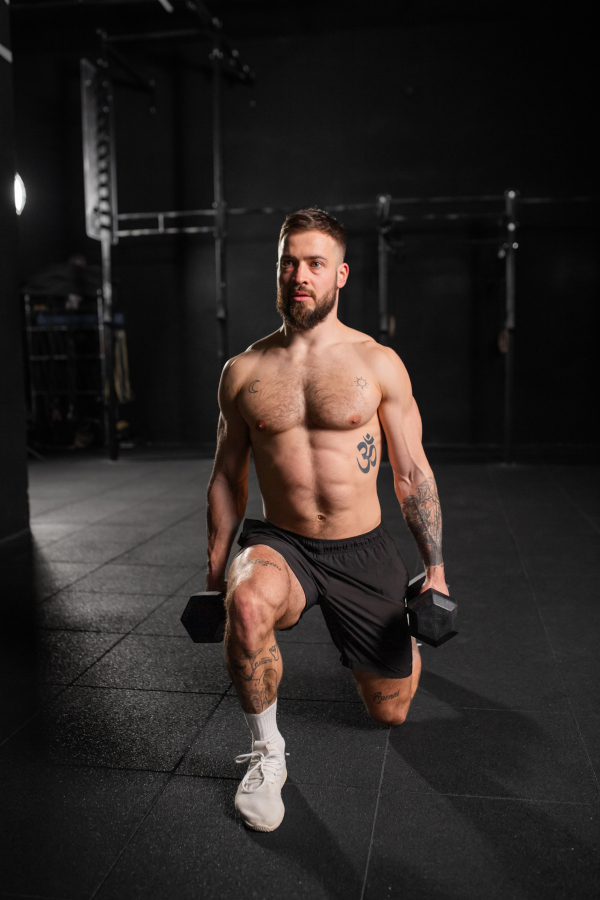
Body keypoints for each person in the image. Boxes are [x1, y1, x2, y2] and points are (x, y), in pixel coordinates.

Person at [206, 208, 447, 832]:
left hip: (361, 548)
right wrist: (215, 579)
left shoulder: (378, 363)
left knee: (390, 713)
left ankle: (400, 639)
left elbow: (412, 472)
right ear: (277, 271)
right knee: (250, 602)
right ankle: (268, 753)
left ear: (340, 274)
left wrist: (435, 572)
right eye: (289, 262)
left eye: (315, 263)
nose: (299, 275)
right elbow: (226, 480)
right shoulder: (245, 371)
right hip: (280, 542)